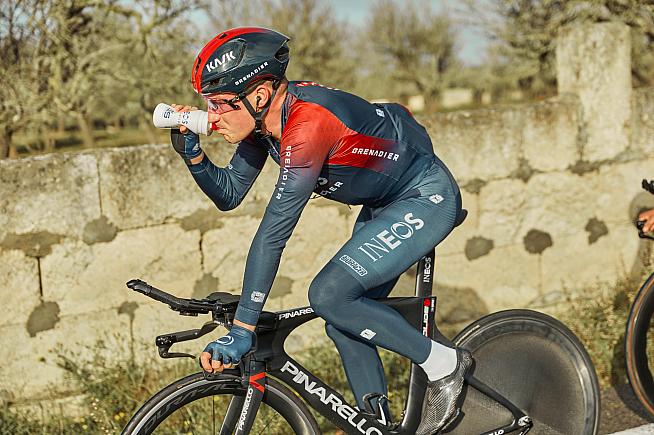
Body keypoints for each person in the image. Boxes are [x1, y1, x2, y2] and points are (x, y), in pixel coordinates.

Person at [170, 27, 471, 434]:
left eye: (222, 104)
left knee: (329, 295)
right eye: (210, 104)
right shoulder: (264, 125)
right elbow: (229, 194)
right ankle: (379, 425)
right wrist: (193, 156)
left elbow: (273, 234)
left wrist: (243, 328)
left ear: (259, 95)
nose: (212, 115)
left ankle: (445, 365)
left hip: (424, 197)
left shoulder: (307, 126)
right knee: (342, 320)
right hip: (384, 202)